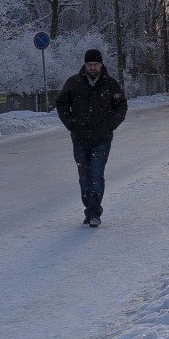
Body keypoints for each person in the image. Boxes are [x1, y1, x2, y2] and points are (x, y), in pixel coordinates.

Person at [55, 48, 127, 227]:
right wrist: (71, 123)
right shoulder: (73, 83)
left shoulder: (111, 84)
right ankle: (90, 209)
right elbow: (61, 103)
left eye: (95, 64)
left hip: (102, 138)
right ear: (85, 65)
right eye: (89, 64)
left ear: (101, 64)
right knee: (84, 175)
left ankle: (94, 212)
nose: (92, 68)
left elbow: (121, 106)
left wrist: (111, 124)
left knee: (96, 174)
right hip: (79, 138)